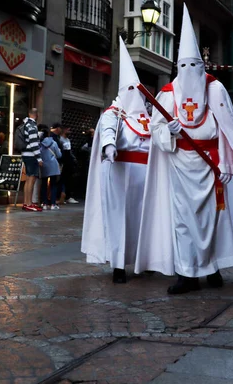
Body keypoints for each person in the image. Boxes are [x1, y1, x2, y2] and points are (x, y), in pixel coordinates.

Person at [135, 4, 233, 294]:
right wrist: (165, 132)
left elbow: (228, 129)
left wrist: (227, 165)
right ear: (177, 68)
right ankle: (188, 272)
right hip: (179, 166)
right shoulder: (168, 94)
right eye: (183, 67)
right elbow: (154, 129)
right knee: (184, 222)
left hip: (211, 166)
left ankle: (214, 267)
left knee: (215, 220)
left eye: (194, 66)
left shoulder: (216, 90)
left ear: (202, 66)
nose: (189, 72)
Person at [82, 37, 151, 283]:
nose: (136, 95)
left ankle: (146, 260)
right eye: (130, 90)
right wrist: (109, 145)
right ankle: (119, 265)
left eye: (138, 90)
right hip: (121, 173)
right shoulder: (115, 112)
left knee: (144, 219)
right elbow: (108, 129)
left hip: (146, 175)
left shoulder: (148, 116)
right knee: (120, 219)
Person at [21, 108, 43, 212]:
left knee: (28, 179)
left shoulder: (26, 124)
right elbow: (34, 143)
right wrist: (39, 158)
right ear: (36, 114)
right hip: (31, 155)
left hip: (26, 154)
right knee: (31, 179)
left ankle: (26, 202)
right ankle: (29, 203)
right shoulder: (32, 126)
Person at [39, 124, 62, 210]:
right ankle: (53, 204)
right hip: (53, 165)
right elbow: (59, 155)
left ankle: (44, 203)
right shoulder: (54, 143)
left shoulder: (40, 144)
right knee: (53, 185)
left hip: (44, 165)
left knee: (44, 184)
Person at [60, 126, 79, 204]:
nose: (69, 131)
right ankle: (63, 196)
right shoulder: (60, 139)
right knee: (63, 179)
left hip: (69, 162)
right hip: (64, 161)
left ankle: (68, 196)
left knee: (69, 179)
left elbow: (69, 151)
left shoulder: (68, 140)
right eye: (68, 129)